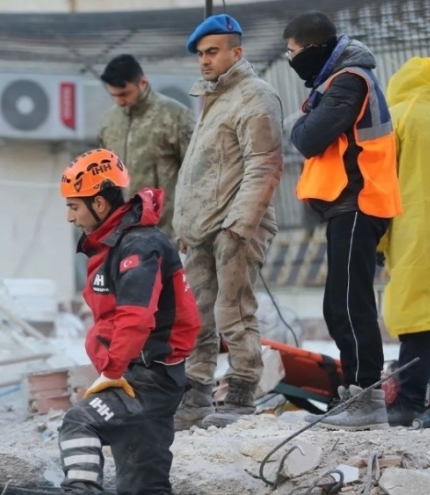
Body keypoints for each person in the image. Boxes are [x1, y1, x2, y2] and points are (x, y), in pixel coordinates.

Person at [57, 149, 199, 495]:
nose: (70, 218)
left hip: (148, 379)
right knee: (144, 486)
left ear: (100, 205)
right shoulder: (118, 243)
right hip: (147, 376)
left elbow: (136, 318)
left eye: (74, 206)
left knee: (79, 423)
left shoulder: (138, 245)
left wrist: (112, 372)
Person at [285, 11, 401, 430]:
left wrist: (299, 122)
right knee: (339, 303)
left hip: (359, 200)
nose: (290, 59)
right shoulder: (337, 82)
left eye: (294, 52)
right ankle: (355, 391)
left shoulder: (349, 80)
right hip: (347, 204)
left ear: (315, 48)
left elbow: (309, 137)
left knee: (351, 302)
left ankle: (366, 395)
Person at [172, 14, 283, 430]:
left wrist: (241, 225)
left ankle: (240, 394)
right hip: (202, 230)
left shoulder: (256, 95)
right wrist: (186, 226)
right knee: (198, 314)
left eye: (213, 51)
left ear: (237, 52)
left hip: (236, 227)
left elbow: (264, 164)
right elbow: (201, 171)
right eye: (201, 54)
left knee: (233, 310)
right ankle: (197, 395)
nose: (204, 60)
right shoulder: (214, 97)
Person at [378, 57, 430, 427]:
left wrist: (376, 241)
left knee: (416, 316)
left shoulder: (399, 114)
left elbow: (382, 181)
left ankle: (410, 402)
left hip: (413, 231)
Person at [97, 54, 195, 240]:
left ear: (142, 82)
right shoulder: (108, 122)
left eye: (124, 94)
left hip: (161, 234)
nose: (119, 101)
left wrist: (190, 227)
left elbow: (198, 175)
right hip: (116, 236)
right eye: (114, 96)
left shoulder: (175, 117)